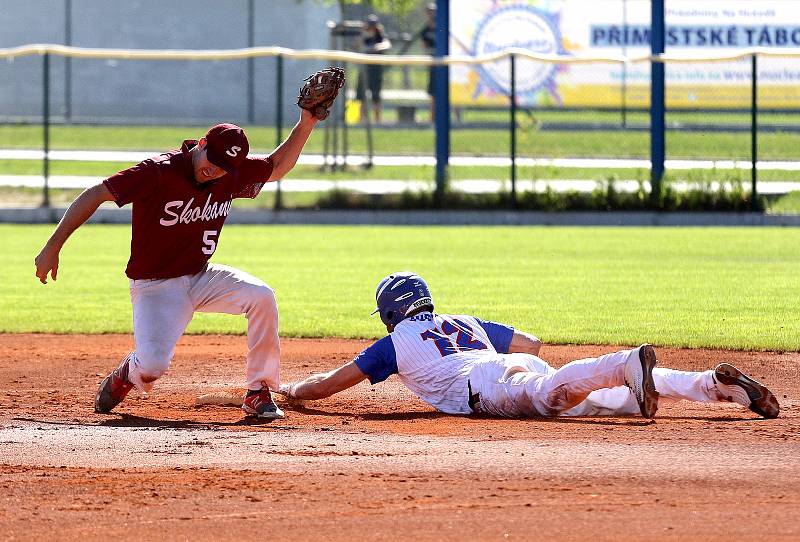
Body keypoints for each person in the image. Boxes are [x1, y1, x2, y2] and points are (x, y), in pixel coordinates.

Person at [34, 107, 326, 420]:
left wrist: (307, 121)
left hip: (201, 276)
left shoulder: (231, 171)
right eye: (212, 161)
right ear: (201, 144)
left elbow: (276, 167)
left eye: (225, 167)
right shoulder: (158, 171)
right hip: (155, 284)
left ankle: (259, 390)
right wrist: (53, 246)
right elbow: (96, 193)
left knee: (262, 296)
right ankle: (128, 372)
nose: (215, 170)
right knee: (153, 366)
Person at [277, 272, 780, 420]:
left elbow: (327, 386)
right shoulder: (463, 319)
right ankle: (712, 386)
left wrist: (291, 390)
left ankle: (625, 361)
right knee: (609, 403)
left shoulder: (393, 343)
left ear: (390, 313)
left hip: (484, 385)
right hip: (502, 361)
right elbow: (532, 343)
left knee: (546, 397)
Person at [356, 14, 392, 123]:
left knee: (376, 96)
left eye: (373, 26)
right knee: (362, 96)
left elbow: (387, 45)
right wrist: (363, 33)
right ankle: (361, 120)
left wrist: (375, 47)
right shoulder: (365, 36)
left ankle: (377, 121)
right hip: (365, 69)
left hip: (376, 70)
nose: (371, 28)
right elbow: (357, 45)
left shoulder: (380, 36)